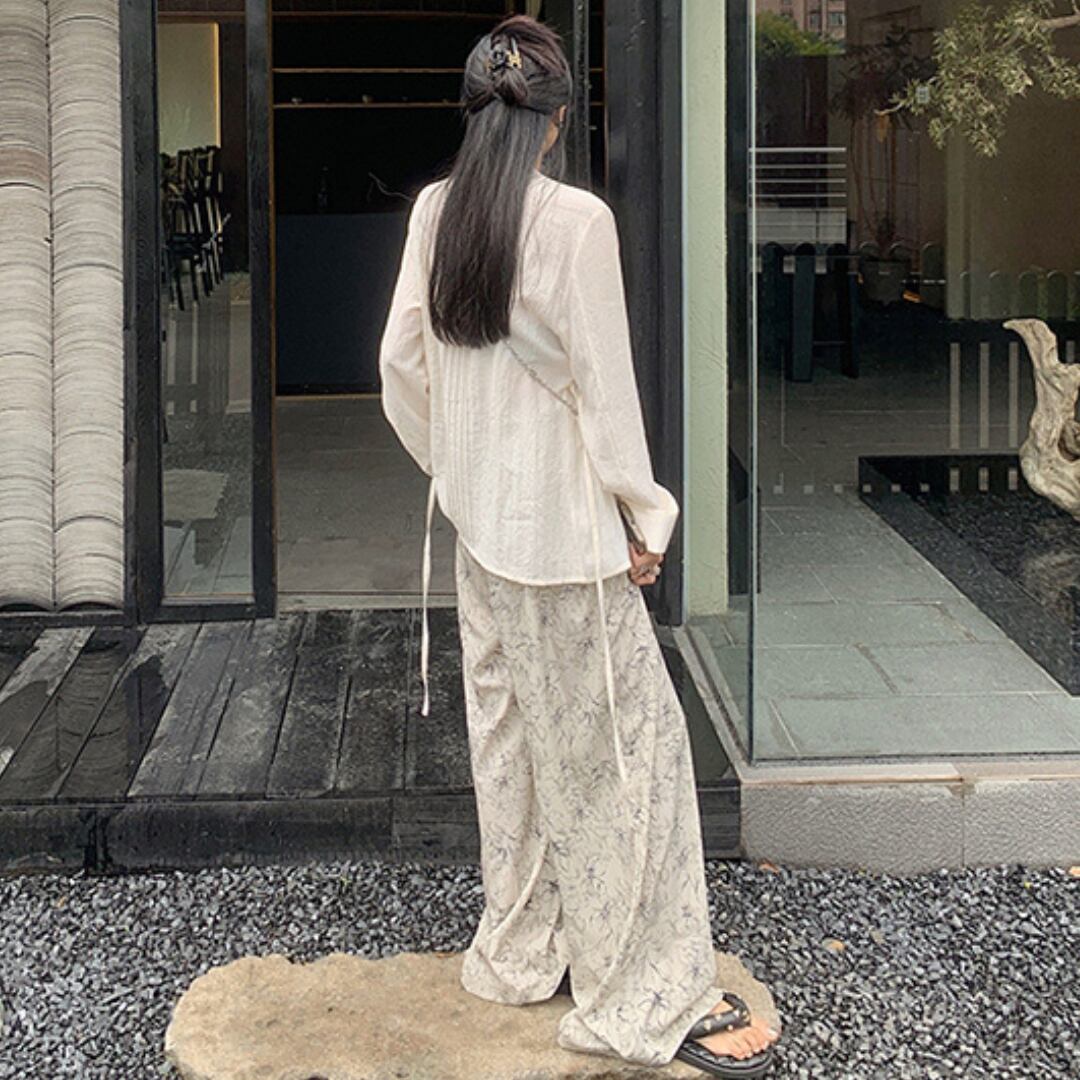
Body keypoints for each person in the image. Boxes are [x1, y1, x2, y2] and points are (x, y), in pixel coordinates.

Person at [378, 13, 780, 1078]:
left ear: (475, 111)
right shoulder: (576, 221)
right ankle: (641, 996)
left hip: (479, 534)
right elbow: (604, 388)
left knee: (510, 749)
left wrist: (457, 467)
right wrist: (643, 514)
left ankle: (520, 952)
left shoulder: (433, 212)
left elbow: (400, 368)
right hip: (563, 542)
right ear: (555, 121)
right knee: (626, 762)